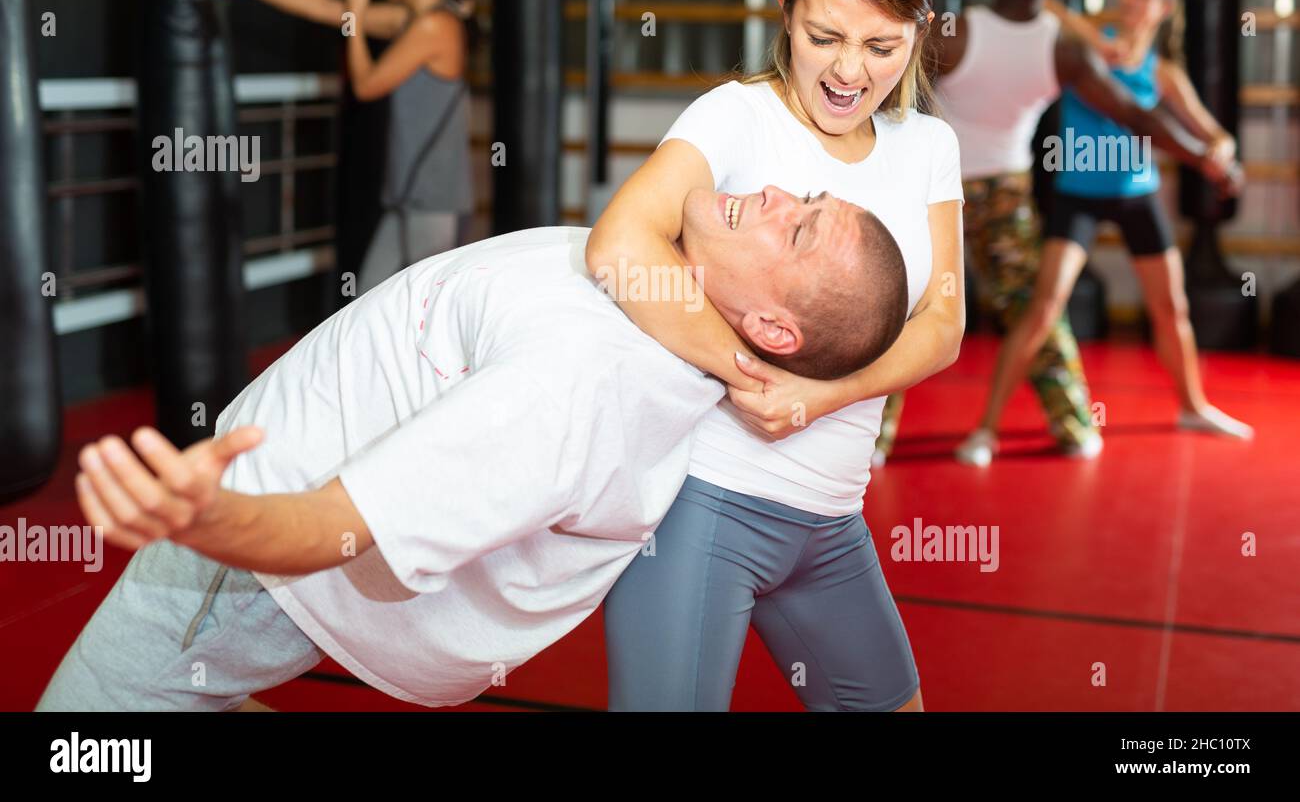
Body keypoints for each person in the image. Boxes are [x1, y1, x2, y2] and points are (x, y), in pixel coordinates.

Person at [37, 185, 909, 711]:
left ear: (771, 328)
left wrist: (205, 518)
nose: (774, 196)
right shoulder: (653, 279)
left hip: (252, 553)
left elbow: (338, 525)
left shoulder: (579, 383)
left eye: (796, 231)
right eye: (805, 197)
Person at [588, 0, 964, 712]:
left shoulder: (929, 147)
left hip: (832, 523)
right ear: (786, 9)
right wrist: (749, 376)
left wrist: (819, 397)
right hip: (705, 505)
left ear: (919, 31)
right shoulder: (736, 116)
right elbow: (619, 246)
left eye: (881, 47)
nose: (849, 72)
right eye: (825, 37)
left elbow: (943, 324)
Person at [873, 0, 1243, 467]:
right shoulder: (1066, 47)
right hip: (1006, 193)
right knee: (1034, 308)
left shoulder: (960, 31)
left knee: (912, 307)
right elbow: (1134, 115)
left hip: (944, 187)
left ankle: (878, 439)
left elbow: (892, 87)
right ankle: (1069, 425)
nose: (1130, 0)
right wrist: (1203, 157)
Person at [206, 0, 475, 293]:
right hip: (405, 198)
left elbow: (365, 85)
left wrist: (355, 18)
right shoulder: (410, 20)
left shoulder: (436, 27)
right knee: (369, 301)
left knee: (426, 314)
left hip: (433, 203)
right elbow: (325, 8)